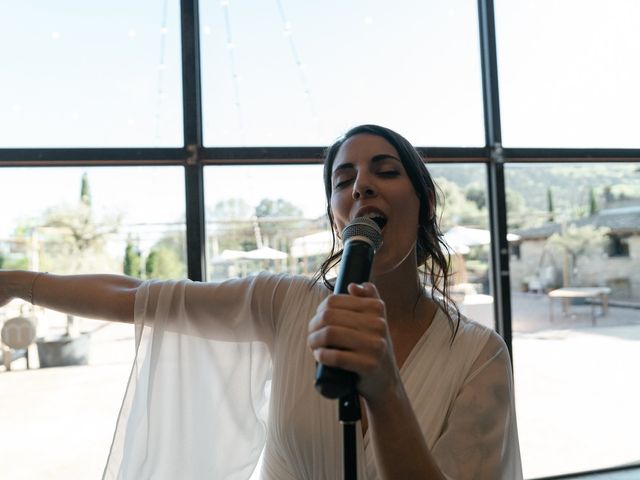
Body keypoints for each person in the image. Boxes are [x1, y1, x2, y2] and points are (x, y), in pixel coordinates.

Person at [0, 124, 523, 479]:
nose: (362, 186)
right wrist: (14, 282)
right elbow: (140, 296)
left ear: (425, 200)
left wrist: (385, 389)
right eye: (344, 181)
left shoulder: (480, 356)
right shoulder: (284, 302)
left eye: (385, 172)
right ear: (337, 216)